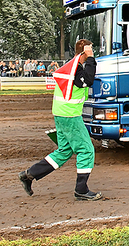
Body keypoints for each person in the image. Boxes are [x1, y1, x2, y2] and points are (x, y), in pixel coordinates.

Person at [19, 39, 101, 201]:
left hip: (61, 114)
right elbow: (88, 80)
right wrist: (90, 58)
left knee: (64, 152)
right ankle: (81, 190)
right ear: (84, 51)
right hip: (70, 116)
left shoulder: (70, 67)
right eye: (91, 50)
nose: (93, 53)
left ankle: (29, 175)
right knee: (86, 150)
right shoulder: (75, 70)